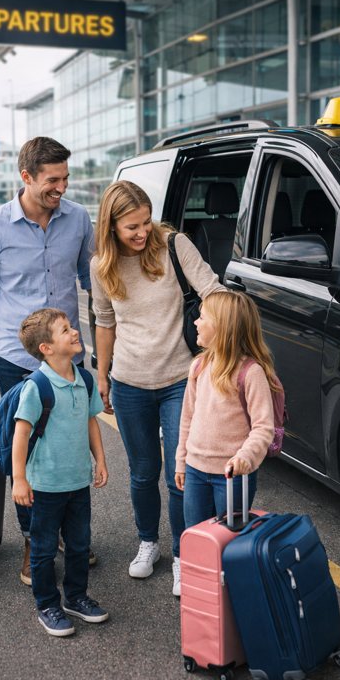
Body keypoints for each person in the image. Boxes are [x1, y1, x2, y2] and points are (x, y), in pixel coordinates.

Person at [0, 136, 97, 583]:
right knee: (28, 451)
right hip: (16, 360)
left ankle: (66, 535)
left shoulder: (78, 219)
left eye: (66, 178)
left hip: (66, 361)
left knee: (67, 448)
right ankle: (35, 541)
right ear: (27, 176)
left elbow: (94, 281)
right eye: (53, 180)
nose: (62, 188)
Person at [90, 180, 225, 596]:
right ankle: (148, 541)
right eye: (131, 226)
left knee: (179, 474)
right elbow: (105, 322)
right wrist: (102, 376)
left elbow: (214, 292)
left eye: (146, 222)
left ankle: (185, 554)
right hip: (129, 382)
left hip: (180, 379)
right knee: (143, 472)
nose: (142, 232)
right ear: (111, 227)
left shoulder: (174, 245)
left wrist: (220, 346)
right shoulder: (101, 266)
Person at [11, 308, 109, 637]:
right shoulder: (37, 386)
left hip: (78, 481)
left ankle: (76, 597)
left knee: (80, 545)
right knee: (43, 549)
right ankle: (48, 604)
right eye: (65, 329)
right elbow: (21, 434)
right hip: (45, 486)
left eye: (70, 326)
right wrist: (20, 479)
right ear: (47, 348)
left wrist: (100, 460)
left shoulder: (84, 379)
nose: (74, 331)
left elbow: (90, 421)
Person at [175, 291, 278, 552]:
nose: (195, 322)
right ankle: (197, 578)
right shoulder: (199, 366)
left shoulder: (250, 373)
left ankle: (228, 581)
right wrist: (181, 461)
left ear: (222, 328)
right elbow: (187, 417)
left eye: (202, 317)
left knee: (229, 546)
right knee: (196, 539)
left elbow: (263, 427)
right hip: (195, 470)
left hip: (232, 476)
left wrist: (246, 457)